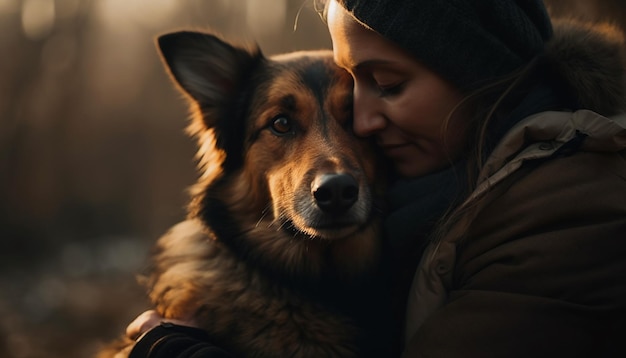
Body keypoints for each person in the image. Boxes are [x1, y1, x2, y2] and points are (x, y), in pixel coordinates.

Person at [124, 0, 626, 356]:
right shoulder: (432, 194)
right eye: (281, 124)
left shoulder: (567, 205)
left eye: (386, 85)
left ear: (474, 75)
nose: (362, 125)